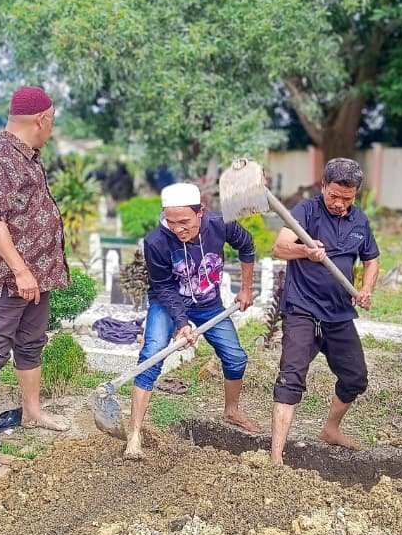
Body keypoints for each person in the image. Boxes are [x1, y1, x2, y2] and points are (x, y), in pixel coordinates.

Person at [0, 86, 72, 461]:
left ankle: (32, 411)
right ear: (41, 120)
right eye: (52, 121)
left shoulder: (27, 156)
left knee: (30, 343)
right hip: (8, 278)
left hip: (36, 275)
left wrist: (35, 273)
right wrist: (22, 272)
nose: (51, 128)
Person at [124, 182, 259, 460]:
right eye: (171, 222)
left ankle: (231, 411)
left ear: (201, 213)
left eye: (184, 221)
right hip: (168, 302)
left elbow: (247, 246)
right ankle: (134, 432)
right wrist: (182, 323)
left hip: (209, 304)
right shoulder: (156, 242)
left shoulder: (222, 225)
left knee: (236, 358)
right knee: (152, 354)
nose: (178, 228)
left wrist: (246, 288)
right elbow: (163, 287)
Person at [269, 158, 380, 465]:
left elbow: (371, 260)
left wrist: (367, 288)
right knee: (290, 378)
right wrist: (305, 251)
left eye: (347, 198)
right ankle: (276, 456)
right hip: (302, 309)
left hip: (339, 313)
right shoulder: (307, 211)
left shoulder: (359, 220)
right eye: (334, 196)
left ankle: (330, 429)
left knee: (355, 378)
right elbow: (279, 248)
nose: (340, 204)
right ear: (323, 187)